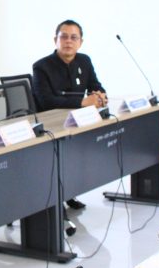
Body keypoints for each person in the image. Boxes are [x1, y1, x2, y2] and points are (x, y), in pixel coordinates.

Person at [31, 19, 107, 210]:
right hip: (50, 125)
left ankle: (69, 192)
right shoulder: (41, 67)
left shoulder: (84, 61)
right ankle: (53, 203)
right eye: (63, 37)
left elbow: (95, 85)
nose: (68, 41)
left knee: (76, 158)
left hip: (77, 123)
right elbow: (47, 101)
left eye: (74, 37)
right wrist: (82, 102)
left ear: (81, 42)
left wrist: (100, 96)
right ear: (55, 40)